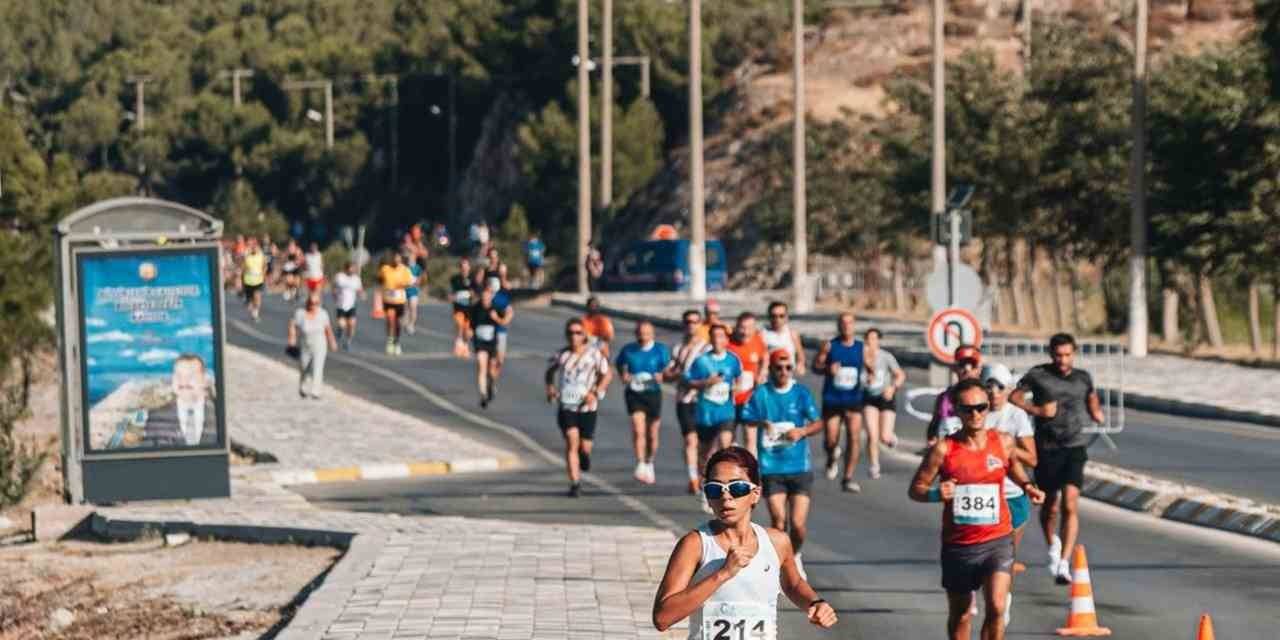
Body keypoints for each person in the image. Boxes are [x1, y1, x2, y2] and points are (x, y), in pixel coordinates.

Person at [909, 379, 1045, 640]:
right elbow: (916, 489)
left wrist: (1028, 486)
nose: (975, 414)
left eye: (981, 408)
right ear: (957, 410)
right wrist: (936, 493)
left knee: (996, 607)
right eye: (968, 409)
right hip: (959, 545)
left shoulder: (1003, 442)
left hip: (998, 540)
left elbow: (1014, 468)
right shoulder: (944, 449)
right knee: (961, 614)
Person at [652, 447, 838, 638]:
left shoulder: (777, 542)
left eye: (737, 488)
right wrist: (723, 574)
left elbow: (793, 584)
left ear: (755, 493)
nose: (726, 496)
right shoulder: (696, 544)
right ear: (707, 497)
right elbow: (662, 617)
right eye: (715, 489)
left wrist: (815, 603)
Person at [1009, 333, 1104, 585]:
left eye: (1067, 355)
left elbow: (1091, 395)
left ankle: (1064, 562)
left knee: (1070, 503)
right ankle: (1053, 544)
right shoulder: (1038, 375)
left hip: (1075, 445)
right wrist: (1037, 410)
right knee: (1050, 505)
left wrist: (1096, 412)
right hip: (1046, 447)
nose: (1063, 360)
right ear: (1051, 354)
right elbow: (1014, 397)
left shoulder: (1083, 377)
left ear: (1074, 353)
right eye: (1058, 355)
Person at [739, 349, 823, 579]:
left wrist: (802, 431)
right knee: (778, 521)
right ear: (771, 369)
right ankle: (781, 566)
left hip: (799, 467)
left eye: (788, 367)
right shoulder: (762, 394)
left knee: (797, 524)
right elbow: (745, 416)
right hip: (771, 467)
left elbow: (818, 422)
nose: (784, 372)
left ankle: (794, 556)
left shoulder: (801, 393)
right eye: (779, 367)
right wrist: (761, 422)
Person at [982, 363, 1037, 626]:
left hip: (1012, 495)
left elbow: (1032, 458)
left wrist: (1005, 446)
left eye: (999, 387)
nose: (994, 393)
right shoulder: (974, 414)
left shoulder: (1017, 417)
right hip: (983, 495)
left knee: (1006, 556)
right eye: (988, 387)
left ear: (1008, 390)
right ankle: (981, 596)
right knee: (981, 555)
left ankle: (1004, 600)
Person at [545, 318, 612, 497]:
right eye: (571, 333)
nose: (574, 336)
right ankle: (575, 483)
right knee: (571, 439)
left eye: (578, 333)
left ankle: (585, 455)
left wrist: (596, 393)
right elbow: (549, 372)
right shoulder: (561, 355)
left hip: (587, 407)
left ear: (584, 335)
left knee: (585, 446)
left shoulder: (595, 355)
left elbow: (607, 374)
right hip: (567, 405)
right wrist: (551, 389)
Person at [812, 312, 867, 492]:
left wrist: (872, 375)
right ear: (838, 325)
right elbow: (815, 366)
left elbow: (871, 366)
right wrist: (827, 368)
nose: (846, 326)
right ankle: (831, 456)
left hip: (854, 399)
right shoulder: (829, 346)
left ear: (854, 325)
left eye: (850, 323)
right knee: (830, 439)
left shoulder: (861, 347)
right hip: (833, 399)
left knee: (854, 438)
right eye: (843, 323)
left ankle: (848, 477)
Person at [616, 321, 672, 485]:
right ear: (636, 334)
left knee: (652, 433)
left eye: (646, 333)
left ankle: (649, 461)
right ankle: (640, 463)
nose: (643, 336)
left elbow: (669, 370)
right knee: (637, 428)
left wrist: (663, 376)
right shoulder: (628, 350)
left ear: (652, 334)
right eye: (640, 333)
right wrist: (623, 375)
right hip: (634, 393)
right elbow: (619, 365)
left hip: (653, 394)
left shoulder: (660, 350)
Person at [686, 325, 743, 476]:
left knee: (725, 446)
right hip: (705, 413)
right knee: (705, 453)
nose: (718, 340)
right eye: (715, 336)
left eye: (721, 336)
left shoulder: (733, 359)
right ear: (710, 339)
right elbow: (688, 381)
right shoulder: (701, 361)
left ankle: (724, 482)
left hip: (725, 412)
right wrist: (706, 383)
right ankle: (704, 481)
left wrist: (737, 387)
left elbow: (739, 377)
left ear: (726, 339)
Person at [667, 309, 709, 496]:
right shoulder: (678, 349)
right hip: (684, 400)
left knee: (704, 445)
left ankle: (703, 475)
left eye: (694, 322)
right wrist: (677, 375)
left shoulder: (707, 349)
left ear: (700, 324)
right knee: (690, 439)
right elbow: (668, 374)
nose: (691, 325)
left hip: (705, 402)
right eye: (688, 322)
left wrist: (698, 382)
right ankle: (693, 478)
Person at [860, 327, 908, 462]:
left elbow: (900, 375)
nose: (870, 342)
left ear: (878, 341)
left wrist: (892, 388)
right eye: (868, 339)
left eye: (874, 339)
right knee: (872, 434)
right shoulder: (859, 357)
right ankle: (874, 465)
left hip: (885, 397)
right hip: (868, 398)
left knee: (884, 437)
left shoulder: (886, 357)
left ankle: (890, 438)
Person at [926, 344, 984, 447]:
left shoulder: (988, 395)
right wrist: (932, 441)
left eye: (972, 365)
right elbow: (934, 426)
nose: (967, 369)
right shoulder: (944, 397)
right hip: (949, 452)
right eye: (962, 365)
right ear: (954, 368)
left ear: (979, 368)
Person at [726, 312, 768, 452]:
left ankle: (752, 471)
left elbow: (765, 357)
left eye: (749, 328)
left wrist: (762, 373)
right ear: (736, 327)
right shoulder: (727, 343)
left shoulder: (758, 341)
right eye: (742, 328)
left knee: (750, 438)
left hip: (750, 398)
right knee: (728, 440)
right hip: (730, 399)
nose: (745, 332)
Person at [288, 292, 338, 399]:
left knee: (318, 367)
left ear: (319, 303)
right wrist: (292, 339)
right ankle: (303, 386)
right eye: (311, 303)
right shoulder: (300, 313)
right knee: (303, 366)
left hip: (319, 343)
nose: (313, 305)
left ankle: (316, 391)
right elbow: (293, 325)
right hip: (305, 343)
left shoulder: (323, 314)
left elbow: (327, 329)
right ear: (307, 303)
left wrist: (332, 342)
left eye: (316, 303)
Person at [469, 286, 513, 408]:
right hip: (479, 343)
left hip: (492, 343)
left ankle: (491, 384)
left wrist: (497, 318)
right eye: (483, 297)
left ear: (491, 297)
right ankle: (483, 395)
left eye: (488, 297)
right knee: (481, 366)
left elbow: (505, 321)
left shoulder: (495, 309)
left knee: (491, 370)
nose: (485, 299)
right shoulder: (475, 308)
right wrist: (469, 332)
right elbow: (471, 324)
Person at [377, 251, 414, 355]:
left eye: (398, 258)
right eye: (394, 258)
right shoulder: (385, 269)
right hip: (388, 299)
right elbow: (380, 280)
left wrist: (401, 285)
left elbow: (410, 283)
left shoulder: (405, 270)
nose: (396, 260)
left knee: (397, 322)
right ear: (392, 259)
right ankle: (389, 340)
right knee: (389, 318)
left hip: (399, 300)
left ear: (400, 259)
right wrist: (384, 287)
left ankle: (397, 342)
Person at [761, 301, 807, 375]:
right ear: (769, 317)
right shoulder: (763, 334)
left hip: (788, 376)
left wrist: (800, 365)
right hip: (770, 376)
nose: (777, 319)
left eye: (781, 316)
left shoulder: (792, 334)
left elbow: (800, 355)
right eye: (774, 316)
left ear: (786, 317)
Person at [331, 261, 364, 351]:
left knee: (352, 325)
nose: (352, 270)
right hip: (341, 305)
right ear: (346, 268)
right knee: (342, 325)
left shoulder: (356, 279)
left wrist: (361, 294)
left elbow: (360, 289)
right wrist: (334, 294)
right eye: (351, 268)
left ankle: (348, 341)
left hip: (351, 305)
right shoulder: (340, 277)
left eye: (354, 268)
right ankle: (340, 331)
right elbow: (334, 286)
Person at [449, 257, 475, 358]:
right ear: (460, 268)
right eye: (462, 267)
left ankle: (465, 347)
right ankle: (458, 347)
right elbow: (451, 293)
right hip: (458, 307)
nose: (464, 269)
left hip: (469, 309)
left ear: (469, 267)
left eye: (466, 266)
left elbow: (476, 293)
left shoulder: (472, 279)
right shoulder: (455, 279)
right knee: (459, 325)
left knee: (467, 331)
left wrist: (473, 295)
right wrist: (452, 297)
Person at [241, 238, 267, 322]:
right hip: (248, 281)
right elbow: (243, 268)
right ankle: (249, 303)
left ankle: (255, 313)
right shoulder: (246, 256)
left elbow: (264, 266)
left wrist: (263, 274)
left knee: (257, 297)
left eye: (256, 246)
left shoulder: (261, 255)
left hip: (258, 280)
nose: (254, 248)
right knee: (249, 302)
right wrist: (241, 280)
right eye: (252, 246)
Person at [403, 254, 426, 336]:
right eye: (409, 258)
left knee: (413, 307)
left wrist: (417, 282)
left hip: (413, 291)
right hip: (404, 290)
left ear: (414, 258)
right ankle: (405, 321)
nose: (410, 259)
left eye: (411, 257)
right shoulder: (404, 267)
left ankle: (411, 325)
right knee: (405, 308)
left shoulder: (417, 268)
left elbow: (421, 278)